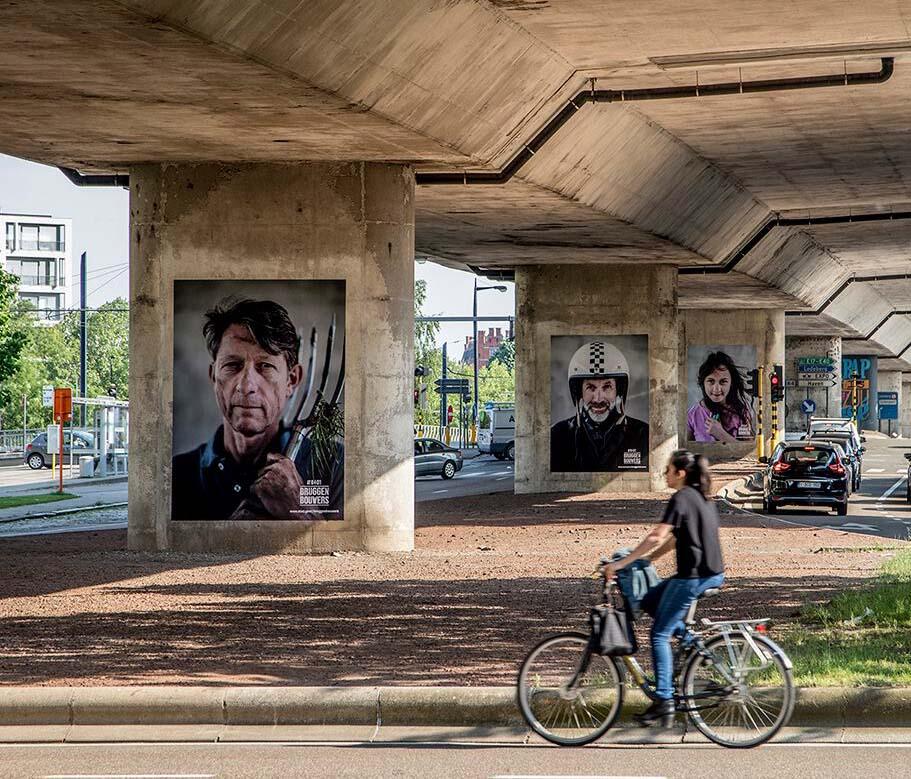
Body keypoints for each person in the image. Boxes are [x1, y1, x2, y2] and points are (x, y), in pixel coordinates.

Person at [172, 297, 344, 521]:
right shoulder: (178, 475)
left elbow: (346, 554)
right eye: (232, 365)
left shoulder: (333, 464)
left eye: (265, 366)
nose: (246, 386)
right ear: (214, 376)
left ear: (291, 381)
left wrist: (298, 508)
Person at [603, 450, 725, 726]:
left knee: (659, 635)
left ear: (680, 473)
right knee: (649, 600)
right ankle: (694, 645)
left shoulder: (681, 497)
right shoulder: (702, 497)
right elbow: (674, 540)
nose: (664, 474)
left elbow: (657, 535)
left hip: (693, 577)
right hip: (708, 573)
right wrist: (647, 560)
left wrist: (623, 563)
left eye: (668, 469)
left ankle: (664, 700)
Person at [550, 341, 649, 471]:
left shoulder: (643, 434)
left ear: (618, 391)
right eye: (590, 387)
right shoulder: (557, 436)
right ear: (579, 392)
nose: (598, 398)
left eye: (607, 387)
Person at [687, 351, 754, 443]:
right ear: (703, 383)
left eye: (723, 381)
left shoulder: (741, 412)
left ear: (731, 383)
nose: (717, 389)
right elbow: (688, 452)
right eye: (711, 381)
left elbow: (748, 451)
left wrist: (721, 434)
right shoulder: (692, 415)